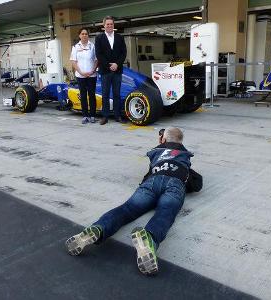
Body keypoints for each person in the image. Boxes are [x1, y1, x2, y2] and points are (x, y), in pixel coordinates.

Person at [65, 127, 198, 275]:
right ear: (181, 142)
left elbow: (151, 172)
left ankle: (98, 228)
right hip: (174, 184)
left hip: (151, 182)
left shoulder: (156, 152)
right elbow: (197, 183)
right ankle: (149, 238)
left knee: (127, 209)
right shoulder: (184, 155)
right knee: (165, 213)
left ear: (163, 140)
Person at [95, 16, 127, 125]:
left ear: (114, 25)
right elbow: (99, 54)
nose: (109, 26)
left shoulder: (119, 37)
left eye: (111, 24)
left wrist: (117, 64)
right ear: (104, 26)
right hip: (105, 70)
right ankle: (105, 116)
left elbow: (124, 53)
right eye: (107, 24)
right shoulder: (99, 38)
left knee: (117, 94)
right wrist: (109, 65)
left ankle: (118, 116)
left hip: (117, 70)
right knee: (105, 94)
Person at [70, 27, 98, 124]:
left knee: (91, 95)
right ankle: (85, 116)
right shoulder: (75, 47)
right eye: (82, 34)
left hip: (91, 75)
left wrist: (93, 70)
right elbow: (73, 61)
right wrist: (81, 72)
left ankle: (93, 115)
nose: (84, 35)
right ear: (79, 35)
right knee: (83, 96)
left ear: (88, 36)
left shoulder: (92, 46)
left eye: (86, 34)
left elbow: (96, 60)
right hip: (80, 76)